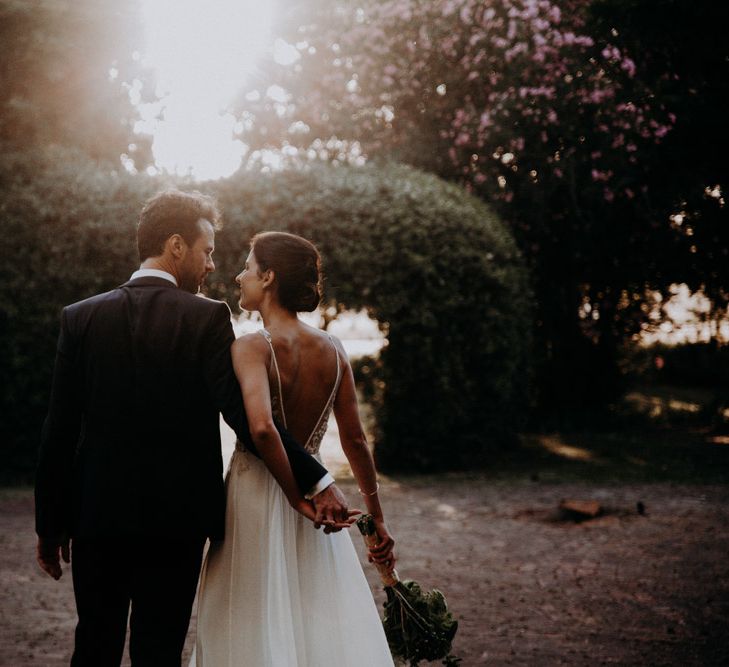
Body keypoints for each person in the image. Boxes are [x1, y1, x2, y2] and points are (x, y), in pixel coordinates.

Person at [34, 190, 350, 666]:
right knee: (159, 651)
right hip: (177, 523)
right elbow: (244, 418)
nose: (210, 266)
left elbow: (59, 430)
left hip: (98, 515)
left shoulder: (81, 317)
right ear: (177, 246)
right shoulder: (207, 317)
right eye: (207, 252)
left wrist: (49, 524)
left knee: (94, 644)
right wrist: (317, 477)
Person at [193, 231, 396, 666]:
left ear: (268, 277)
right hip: (321, 499)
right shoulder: (334, 348)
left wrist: (293, 496)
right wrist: (375, 517)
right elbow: (356, 439)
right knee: (315, 615)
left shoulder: (250, 346)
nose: (238, 276)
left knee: (245, 613)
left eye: (247, 268)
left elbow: (262, 429)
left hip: (258, 495)